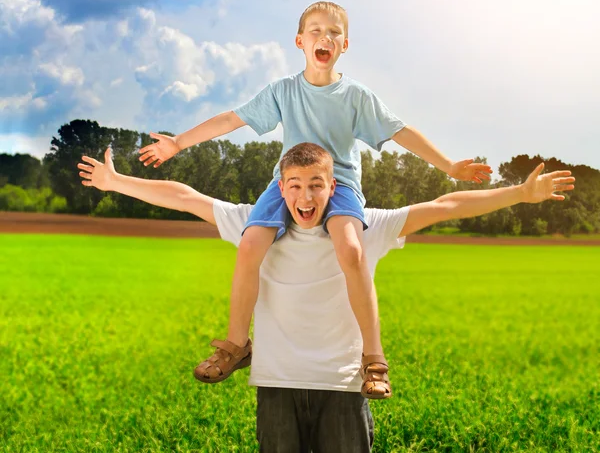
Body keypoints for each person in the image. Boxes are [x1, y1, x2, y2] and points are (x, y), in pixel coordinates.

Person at [78, 143, 573, 452]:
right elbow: (185, 197)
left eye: (316, 184)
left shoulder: (365, 226)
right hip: (276, 384)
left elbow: (444, 205)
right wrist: (117, 182)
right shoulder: (258, 225)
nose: (305, 196)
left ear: (332, 188)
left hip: (342, 389)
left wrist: (518, 194)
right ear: (281, 189)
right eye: (294, 185)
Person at [136, 1, 493, 398]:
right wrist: (179, 142)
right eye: (317, 30)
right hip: (286, 182)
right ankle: (236, 345)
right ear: (300, 41)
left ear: (345, 45)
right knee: (250, 244)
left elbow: (399, 131)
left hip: (338, 184)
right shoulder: (283, 91)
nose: (325, 37)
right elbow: (231, 119)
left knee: (352, 251)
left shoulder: (356, 96)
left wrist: (448, 166)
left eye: (334, 32)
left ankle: (373, 358)